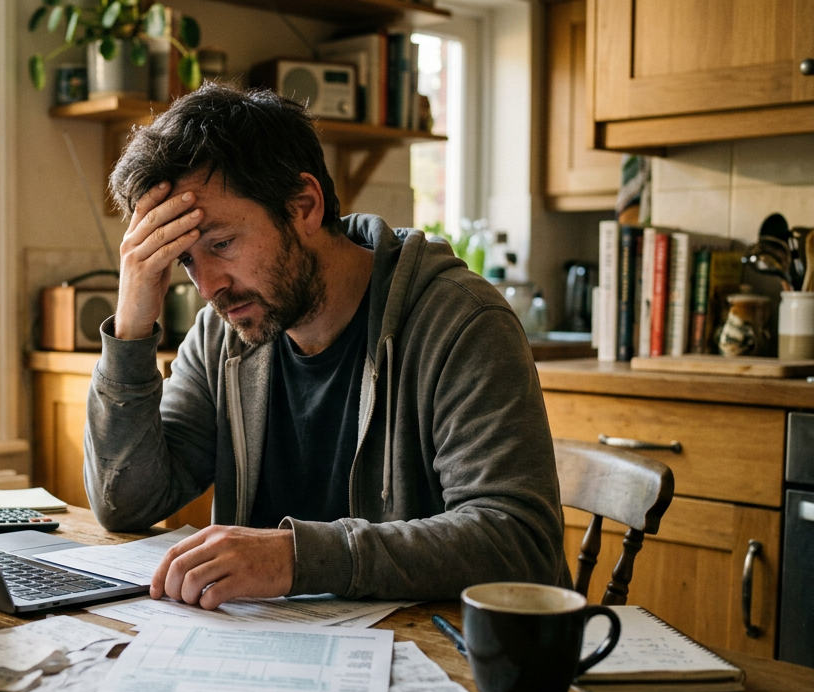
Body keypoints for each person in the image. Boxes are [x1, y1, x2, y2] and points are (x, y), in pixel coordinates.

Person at [83, 83, 568, 610]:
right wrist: (131, 327)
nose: (208, 286)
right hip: (266, 653)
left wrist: (296, 558)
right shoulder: (221, 333)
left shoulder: (461, 323)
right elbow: (124, 503)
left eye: (222, 244)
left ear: (305, 205)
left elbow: (520, 542)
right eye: (187, 260)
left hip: (428, 659)